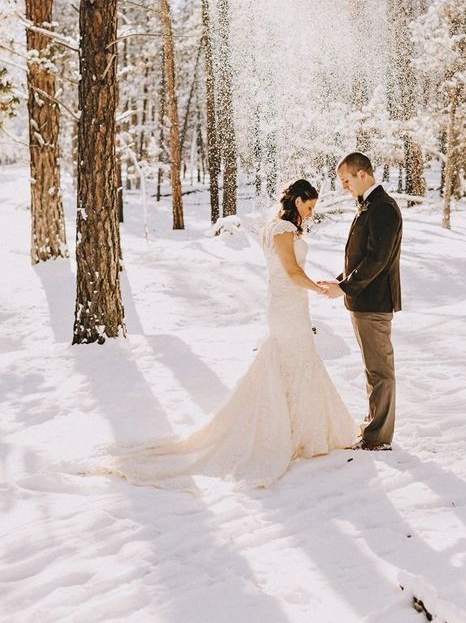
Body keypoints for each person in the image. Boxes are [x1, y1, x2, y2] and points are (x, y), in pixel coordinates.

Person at [92, 179, 356, 490]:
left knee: (298, 362)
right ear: (298, 201)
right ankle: (286, 433)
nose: (311, 213)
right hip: (287, 306)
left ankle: (301, 430)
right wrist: (321, 288)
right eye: (309, 206)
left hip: (292, 304)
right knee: (294, 360)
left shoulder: (283, 228)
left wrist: (313, 288)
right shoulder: (283, 230)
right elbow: (291, 272)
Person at [321, 152, 402, 451]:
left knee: (380, 371)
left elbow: (376, 260)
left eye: (346, 180)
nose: (343, 187)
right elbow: (360, 256)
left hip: (375, 302)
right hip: (363, 301)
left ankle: (378, 438)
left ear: (362, 174)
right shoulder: (370, 205)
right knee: (373, 369)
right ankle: (372, 425)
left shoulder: (383, 208)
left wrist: (344, 287)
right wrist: (339, 280)